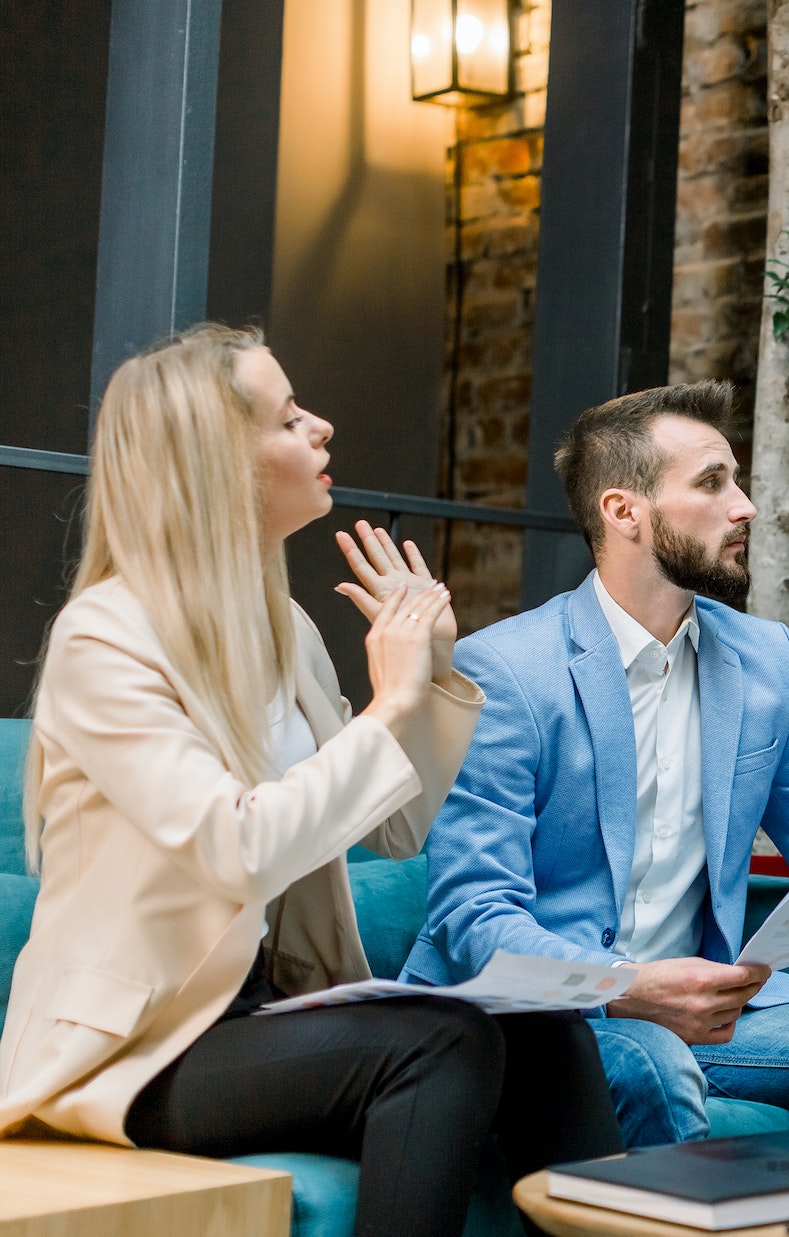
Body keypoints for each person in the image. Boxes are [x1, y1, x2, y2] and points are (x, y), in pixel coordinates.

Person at [0, 326, 623, 1237]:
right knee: (438, 1045)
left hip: (263, 1009)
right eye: (291, 419)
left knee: (546, 1033)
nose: (323, 427)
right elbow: (237, 848)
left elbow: (399, 829)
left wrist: (433, 684)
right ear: (218, 459)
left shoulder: (282, 626)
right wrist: (387, 705)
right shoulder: (107, 637)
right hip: (137, 1048)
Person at [407, 381, 789, 1146]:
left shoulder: (766, 660)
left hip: (717, 1011)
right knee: (653, 1065)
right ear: (623, 511)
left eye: (735, 479)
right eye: (711, 482)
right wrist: (628, 987)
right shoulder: (507, 672)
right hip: (547, 1018)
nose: (745, 507)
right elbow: (474, 916)